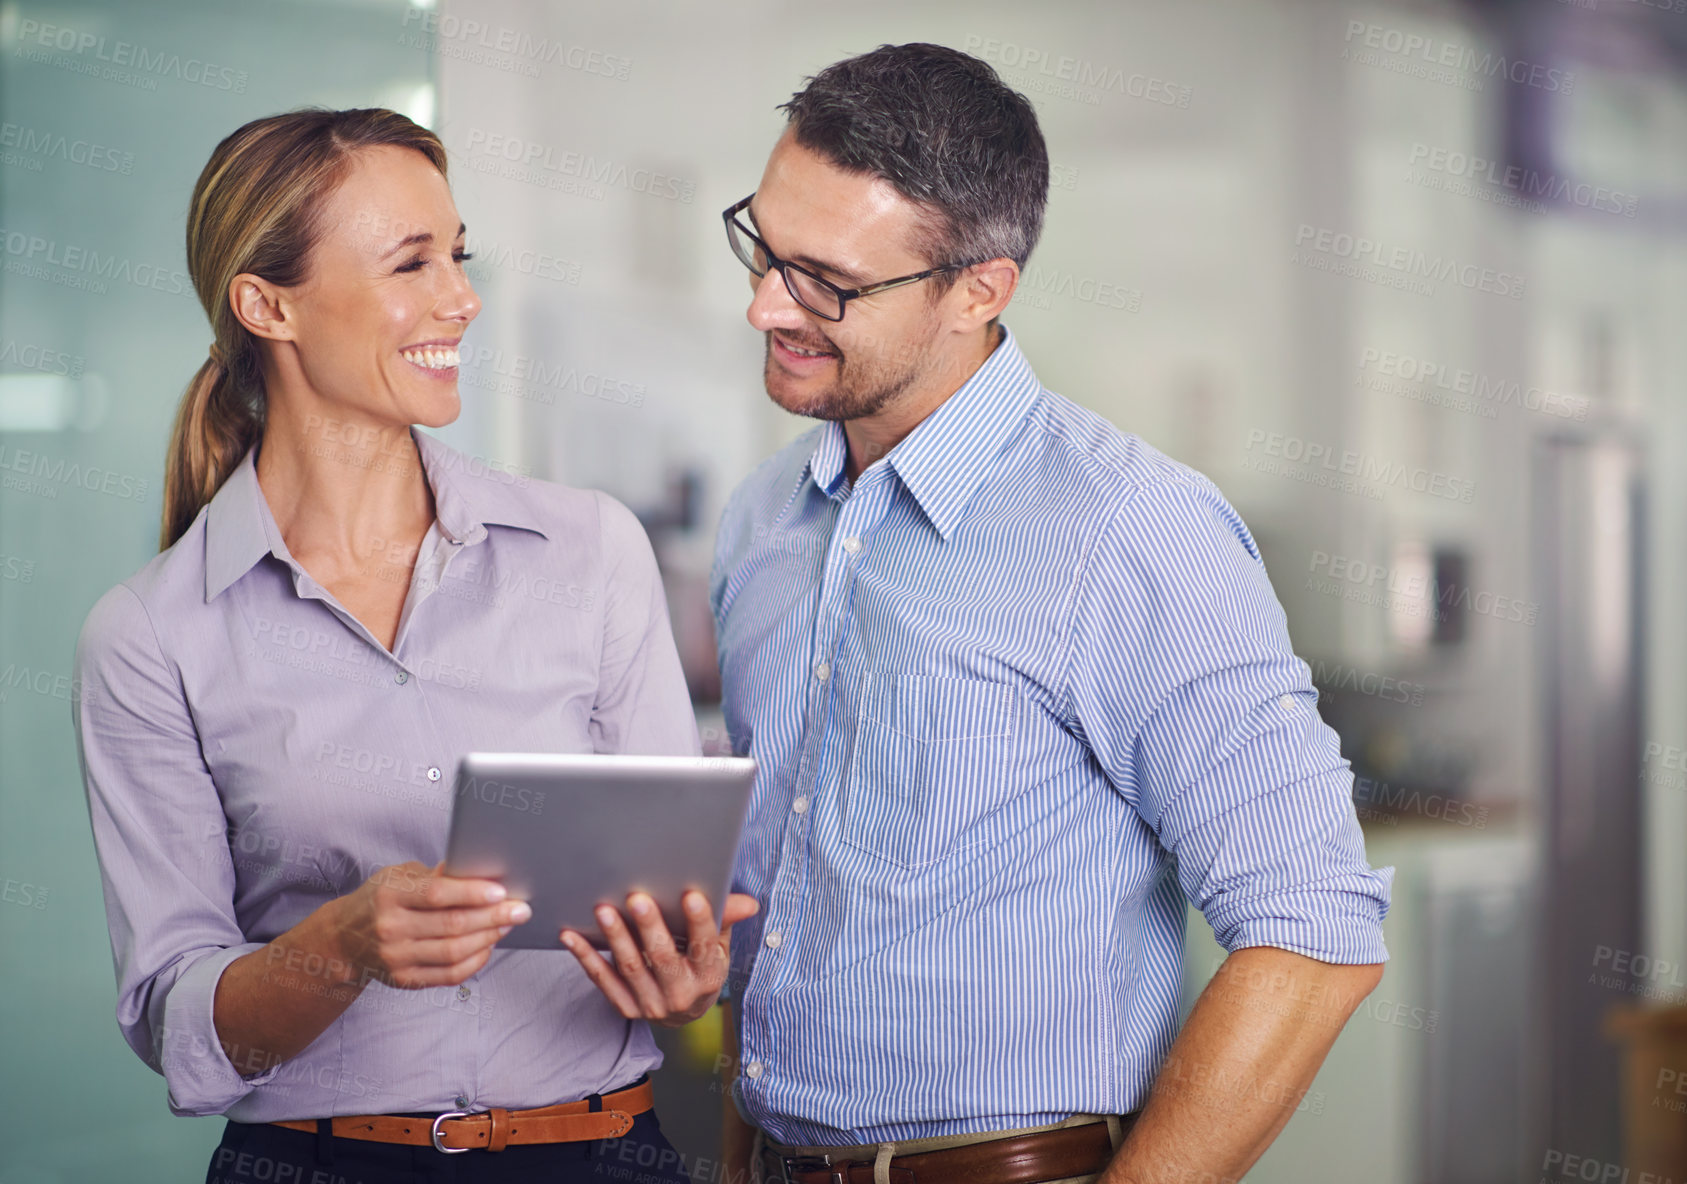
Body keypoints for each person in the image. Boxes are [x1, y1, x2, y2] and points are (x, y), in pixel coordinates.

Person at [705, 44, 1395, 1184]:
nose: (762, 304)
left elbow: (1312, 930)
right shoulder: (763, 521)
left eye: (825, 280)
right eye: (763, 249)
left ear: (979, 288)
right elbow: (773, 906)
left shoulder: (1129, 530)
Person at [70, 106, 754, 1184]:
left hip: (604, 1153)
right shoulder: (153, 633)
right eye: (411, 263)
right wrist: (341, 945)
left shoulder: (588, 552)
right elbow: (183, 1032)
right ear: (267, 303)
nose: (461, 298)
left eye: (459, 254)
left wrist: (684, 976)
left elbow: (673, 925)